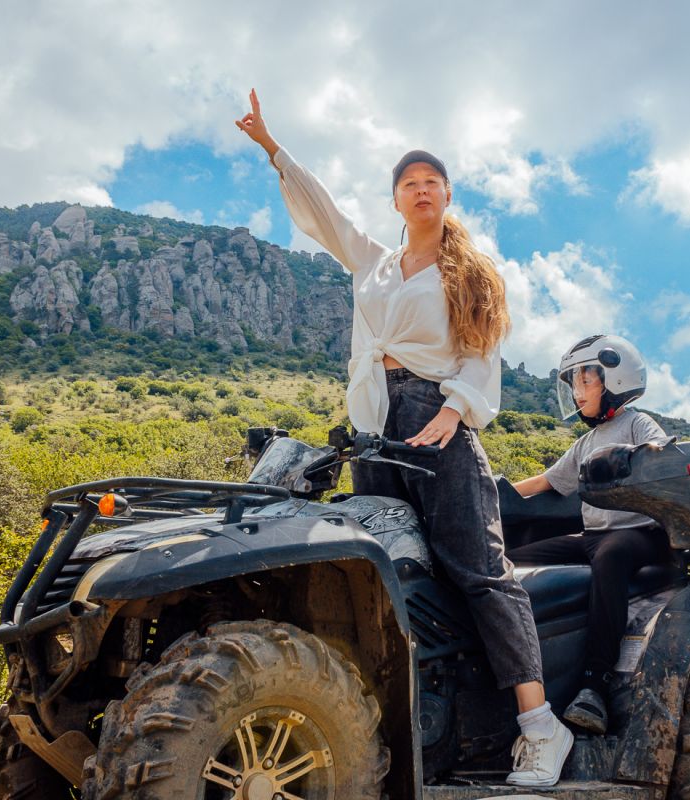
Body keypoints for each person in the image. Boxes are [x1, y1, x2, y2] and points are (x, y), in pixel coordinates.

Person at [235, 89, 572, 787]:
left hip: (434, 414)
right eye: (409, 183)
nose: (420, 190)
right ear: (396, 200)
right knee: (389, 569)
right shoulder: (375, 264)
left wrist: (452, 413)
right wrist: (273, 149)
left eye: (431, 181)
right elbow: (324, 214)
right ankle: (412, 724)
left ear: (447, 196)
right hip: (372, 426)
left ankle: (541, 726)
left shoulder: (468, 274)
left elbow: (481, 357)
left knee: (480, 569)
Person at [508, 334, 671, 735]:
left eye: (585, 381)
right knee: (514, 556)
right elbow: (546, 481)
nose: (577, 393)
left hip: (637, 532)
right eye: (573, 385)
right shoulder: (585, 443)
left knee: (611, 556)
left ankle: (595, 684)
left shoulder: (636, 422)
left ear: (615, 380)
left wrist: (628, 457)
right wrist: (490, 492)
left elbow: (660, 453)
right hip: (594, 535)